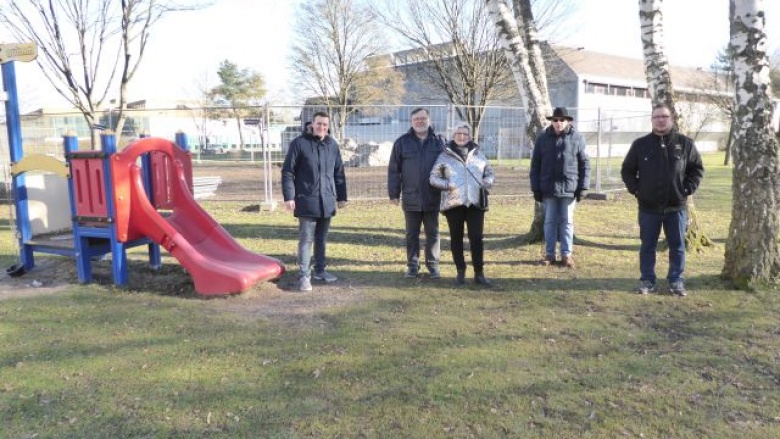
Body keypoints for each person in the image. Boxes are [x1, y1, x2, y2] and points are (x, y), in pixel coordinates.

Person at [621, 103, 704, 296]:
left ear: (671, 119)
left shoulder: (685, 144)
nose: (660, 120)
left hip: (676, 207)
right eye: (656, 116)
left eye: (664, 116)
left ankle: (676, 281)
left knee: (677, 246)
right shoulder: (640, 145)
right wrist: (636, 190)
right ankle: (647, 280)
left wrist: (687, 189)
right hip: (648, 208)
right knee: (647, 246)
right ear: (652, 120)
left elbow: (697, 169)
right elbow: (627, 170)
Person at [281, 111, 348, 292]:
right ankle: (304, 276)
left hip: (327, 201)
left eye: (325, 125)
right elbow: (287, 172)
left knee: (322, 239)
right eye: (319, 124)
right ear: (312, 124)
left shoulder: (332, 145)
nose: (322, 127)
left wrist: (342, 197)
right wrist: (289, 197)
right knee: (306, 240)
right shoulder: (299, 144)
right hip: (306, 201)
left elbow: (339, 173)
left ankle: (320, 271)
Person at [429, 122, 495, 286]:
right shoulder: (444, 156)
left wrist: (485, 183)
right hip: (454, 203)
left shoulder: (479, 154)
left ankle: (479, 273)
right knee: (456, 238)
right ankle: (460, 272)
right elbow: (433, 178)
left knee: (476, 238)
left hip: (475, 203)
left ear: (469, 136)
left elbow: (489, 173)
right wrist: (448, 185)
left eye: (465, 134)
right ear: (453, 135)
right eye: (458, 133)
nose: (461, 136)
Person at [388, 107, 445, 278]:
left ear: (429, 120)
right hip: (410, 196)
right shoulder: (402, 142)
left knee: (433, 233)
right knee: (411, 234)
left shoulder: (439, 142)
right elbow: (393, 170)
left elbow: (447, 168)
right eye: (416, 119)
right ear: (411, 122)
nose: (420, 122)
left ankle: (433, 265)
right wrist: (393, 194)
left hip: (433, 196)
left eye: (423, 118)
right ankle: (412, 265)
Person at [530, 107, 590, 268]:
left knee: (567, 222)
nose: (558, 123)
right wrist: (535, 188)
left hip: (569, 188)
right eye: (555, 120)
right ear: (551, 121)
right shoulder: (542, 139)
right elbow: (535, 165)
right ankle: (549, 254)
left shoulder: (578, 138)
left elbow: (585, 164)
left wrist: (583, 187)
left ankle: (566, 255)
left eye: (562, 120)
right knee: (549, 222)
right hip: (548, 188)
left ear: (568, 121)